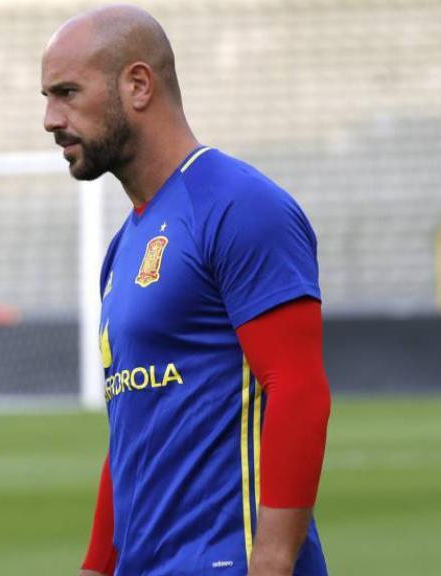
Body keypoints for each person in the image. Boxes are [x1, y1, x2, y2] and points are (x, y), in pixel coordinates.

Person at [41, 6, 331, 576]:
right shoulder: (123, 248)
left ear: (138, 85)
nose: (51, 118)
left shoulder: (238, 205)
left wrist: (272, 560)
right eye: (47, 97)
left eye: (67, 93)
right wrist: (97, 566)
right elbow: (130, 432)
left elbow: (298, 388)